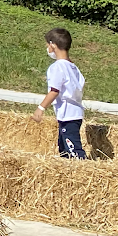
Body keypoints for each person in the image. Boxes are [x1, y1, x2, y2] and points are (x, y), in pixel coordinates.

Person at [34, 26, 86, 159]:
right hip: (75, 113)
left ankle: (82, 167)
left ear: (53, 45)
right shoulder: (73, 67)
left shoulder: (57, 67)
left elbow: (54, 91)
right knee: (63, 149)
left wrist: (41, 108)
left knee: (74, 151)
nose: (47, 48)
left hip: (68, 114)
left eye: (47, 45)